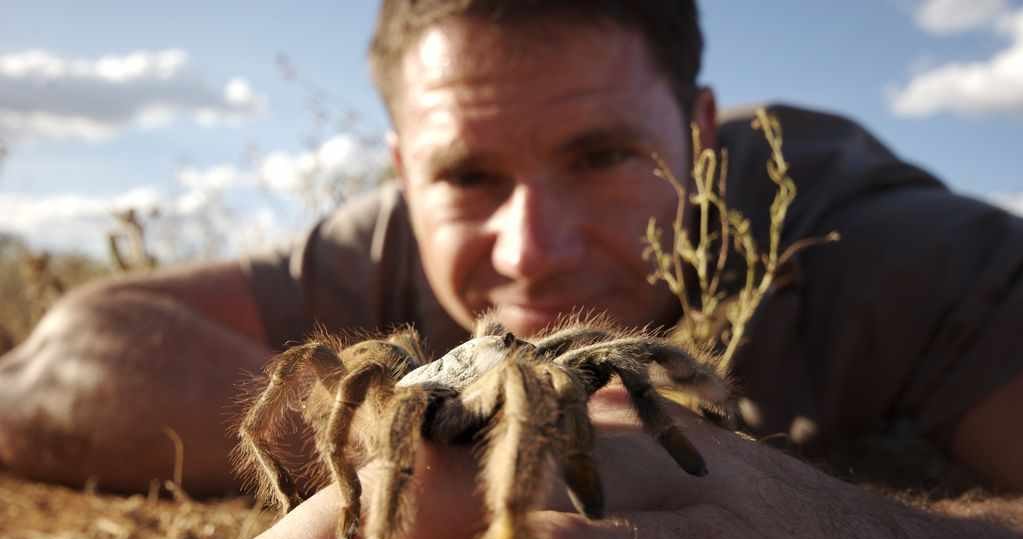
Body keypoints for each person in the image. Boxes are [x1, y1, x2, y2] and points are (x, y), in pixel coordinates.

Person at [2, 0, 1022, 537]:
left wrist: (842, 521)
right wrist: (382, 444)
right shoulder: (391, 239)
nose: (531, 249)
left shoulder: (882, 248)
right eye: (468, 175)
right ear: (406, 173)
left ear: (699, 137)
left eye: (604, 155)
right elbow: (63, 362)